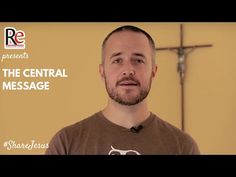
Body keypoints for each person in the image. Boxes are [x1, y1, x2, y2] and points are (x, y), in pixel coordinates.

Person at [45, 25, 200, 155]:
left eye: (138, 60)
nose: (128, 70)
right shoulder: (66, 143)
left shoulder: (183, 146)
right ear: (102, 71)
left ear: (153, 71)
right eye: (117, 60)